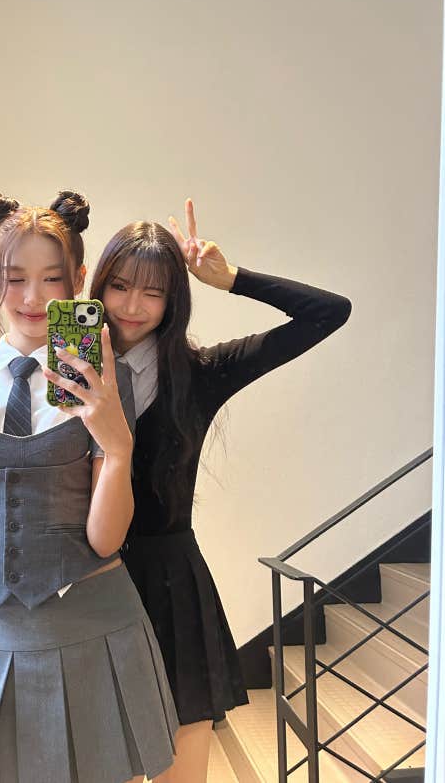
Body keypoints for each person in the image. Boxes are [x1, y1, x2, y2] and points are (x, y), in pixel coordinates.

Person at [0, 190, 178, 783]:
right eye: (15, 278)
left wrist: (117, 447)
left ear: (78, 281)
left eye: (52, 278)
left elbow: (105, 539)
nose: (32, 298)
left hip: (96, 624)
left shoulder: (101, 379)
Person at [90, 198, 352, 783]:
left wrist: (232, 278)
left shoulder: (202, 373)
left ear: (174, 301)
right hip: (90, 583)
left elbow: (330, 313)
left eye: (153, 292)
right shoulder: (69, 372)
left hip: (170, 587)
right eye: (120, 286)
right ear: (98, 287)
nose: (132, 306)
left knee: (181, 768)